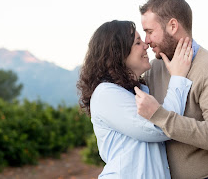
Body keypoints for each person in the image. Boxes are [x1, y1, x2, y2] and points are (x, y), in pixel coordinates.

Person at [135, 0, 208, 179]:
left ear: (173, 26)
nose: (147, 41)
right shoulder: (154, 68)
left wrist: (161, 116)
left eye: (150, 31)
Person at [77, 20, 193, 178]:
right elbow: (160, 128)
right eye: (137, 42)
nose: (146, 45)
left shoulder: (137, 90)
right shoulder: (106, 93)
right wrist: (178, 78)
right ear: (118, 52)